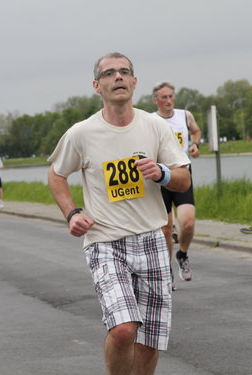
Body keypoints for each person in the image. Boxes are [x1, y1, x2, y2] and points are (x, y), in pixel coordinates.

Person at [48, 52, 190, 375]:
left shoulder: (153, 126)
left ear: (135, 82)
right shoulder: (82, 133)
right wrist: (72, 213)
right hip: (105, 241)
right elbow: (56, 175)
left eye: (125, 72)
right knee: (125, 328)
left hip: (153, 239)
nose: (119, 77)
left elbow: (184, 178)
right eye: (110, 73)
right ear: (98, 85)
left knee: (150, 339)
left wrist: (162, 173)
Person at [152, 81, 201, 286]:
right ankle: (167, 269)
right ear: (156, 100)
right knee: (166, 228)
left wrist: (195, 144)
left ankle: (182, 254)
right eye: (164, 97)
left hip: (182, 174)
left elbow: (196, 131)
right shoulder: (150, 120)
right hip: (161, 177)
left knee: (188, 223)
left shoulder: (184, 115)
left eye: (171, 96)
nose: (169, 101)